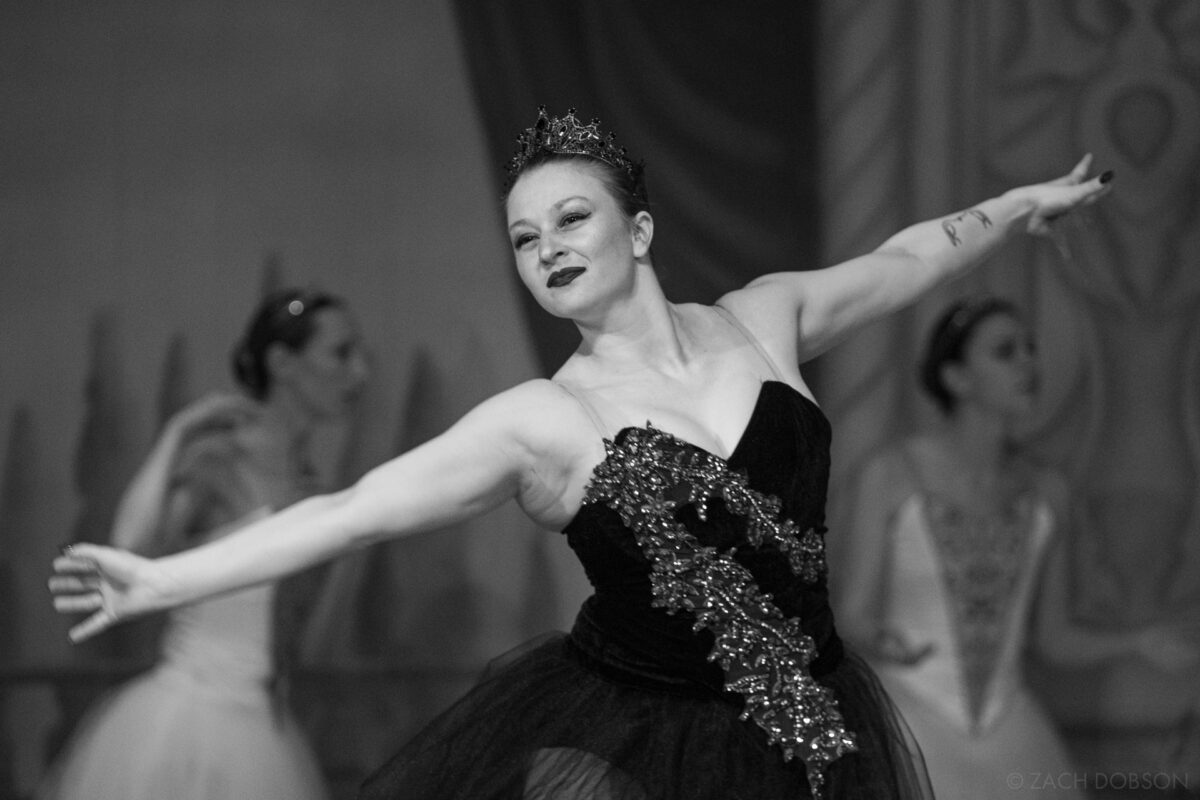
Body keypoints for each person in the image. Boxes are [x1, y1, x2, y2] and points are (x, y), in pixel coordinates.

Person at [49, 107, 1113, 800]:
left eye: (570, 218)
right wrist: (159, 576)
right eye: (523, 236)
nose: (548, 246)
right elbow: (354, 509)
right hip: (645, 740)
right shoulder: (541, 420)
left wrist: (1019, 206)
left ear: (637, 231)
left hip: (817, 724)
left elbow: (902, 260)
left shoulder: (766, 319)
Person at [831, 296, 1200, 799]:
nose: (1029, 363)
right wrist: (881, 639)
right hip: (908, 716)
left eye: (1030, 349)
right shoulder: (892, 474)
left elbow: (1052, 638)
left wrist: (1138, 640)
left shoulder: (1047, 491)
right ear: (957, 377)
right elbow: (852, 614)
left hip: (1011, 727)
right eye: (1006, 351)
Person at [39, 288, 369, 800]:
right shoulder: (219, 462)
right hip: (186, 720)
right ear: (282, 362)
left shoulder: (320, 491)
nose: (359, 373)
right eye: (340, 353)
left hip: (266, 723)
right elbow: (131, 546)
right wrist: (178, 434)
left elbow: (308, 637)